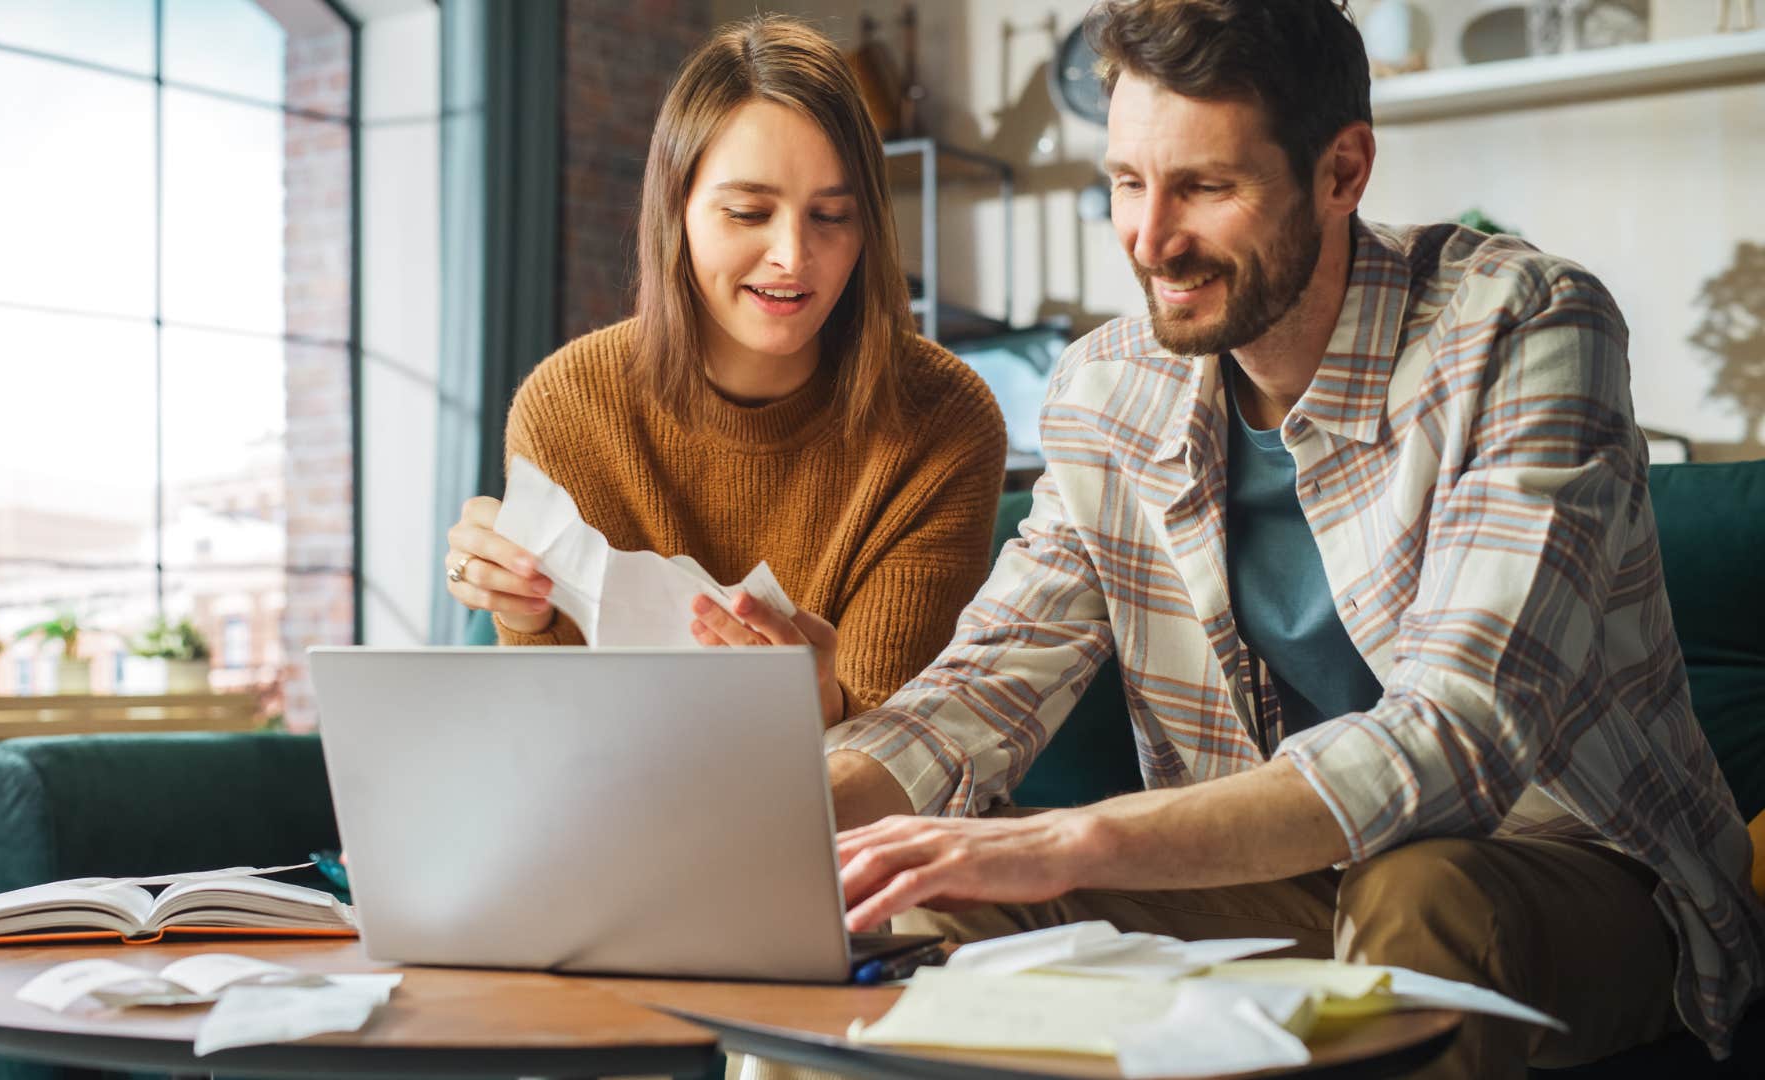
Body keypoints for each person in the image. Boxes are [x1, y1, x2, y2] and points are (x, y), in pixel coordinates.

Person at [823, 1, 1764, 1076]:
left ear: (1342, 171)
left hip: (1563, 866)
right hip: (1277, 878)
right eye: (1127, 182)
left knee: (1418, 893)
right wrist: (780, 812)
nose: (1150, 238)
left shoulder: (1522, 326)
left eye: (1206, 188)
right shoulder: (1106, 389)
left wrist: (1074, 834)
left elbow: (1458, 736)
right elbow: (983, 689)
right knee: (919, 894)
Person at [442, 15, 1005, 729]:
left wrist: (819, 704)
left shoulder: (943, 417)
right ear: (675, 210)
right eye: (747, 212)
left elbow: (908, 754)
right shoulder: (568, 407)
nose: (793, 256)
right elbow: (556, 730)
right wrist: (510, 597)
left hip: (860, 824)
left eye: (832, 216)